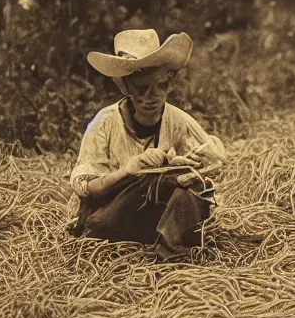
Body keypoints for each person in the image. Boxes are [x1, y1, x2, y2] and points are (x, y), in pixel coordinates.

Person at [67, 29, 229, 260]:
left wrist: (185, 164)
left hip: (155, 221)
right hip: (109, 221)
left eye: (160, 86)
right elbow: (86, 186)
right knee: (156, 180)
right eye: (142, 89)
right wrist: (127, 172)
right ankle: (174, 247)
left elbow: (216, 157)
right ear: (126, 87)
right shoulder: (104, 122)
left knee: (191, 186)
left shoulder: (176, 120)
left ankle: (174, 254)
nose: (151, 97)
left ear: (169, 83)